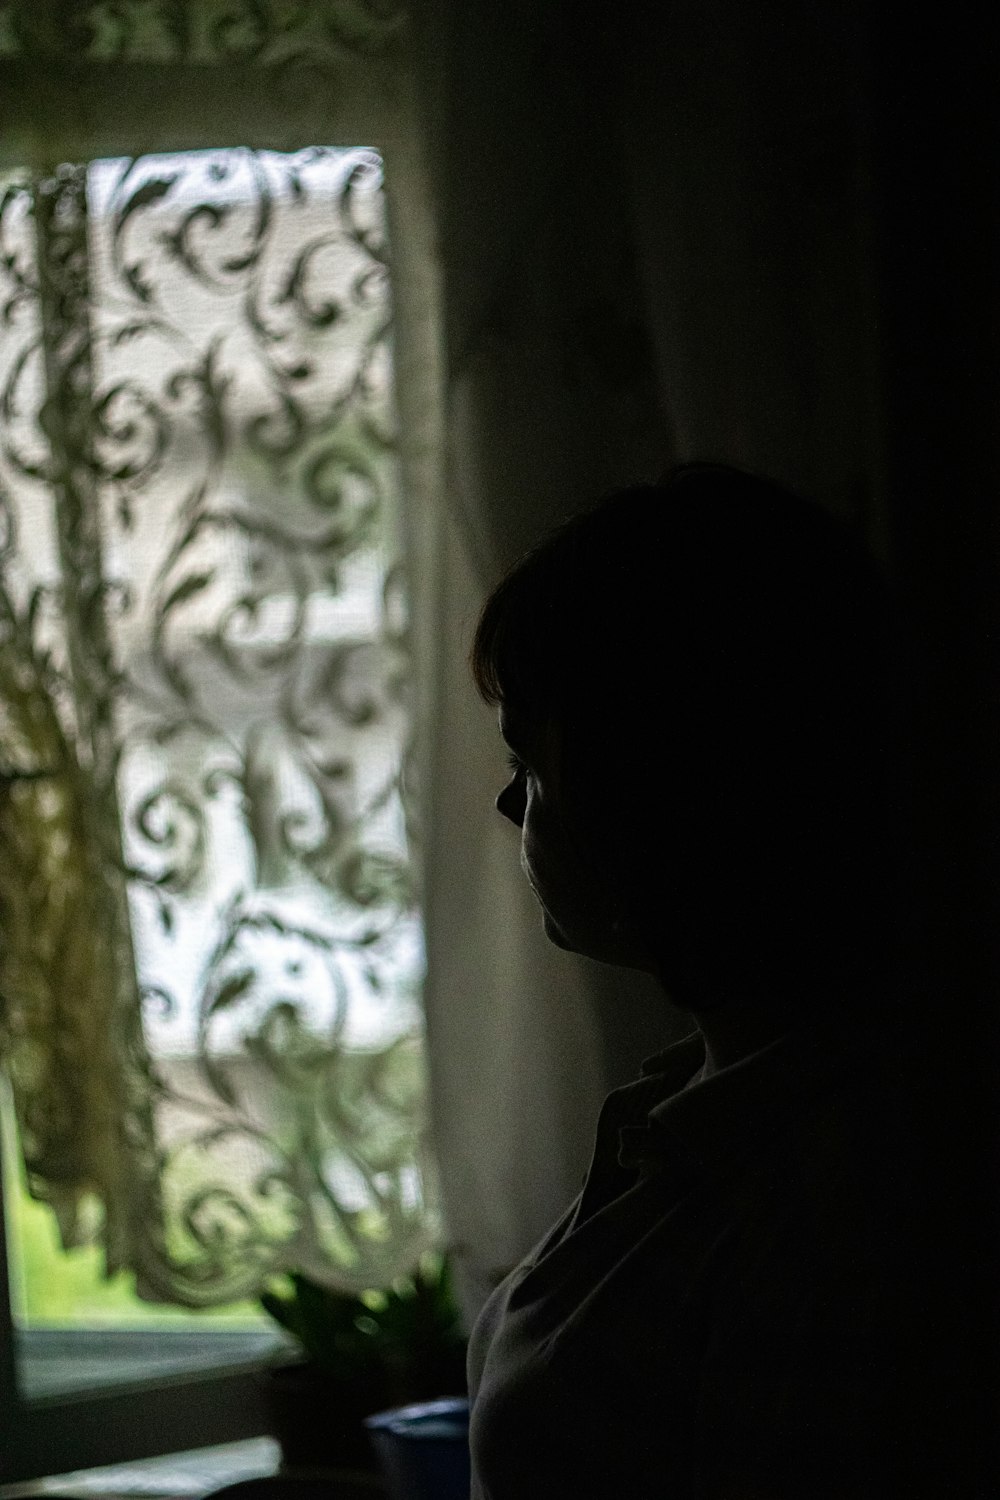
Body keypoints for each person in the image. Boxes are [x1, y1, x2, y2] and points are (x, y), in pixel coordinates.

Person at [464, 464, 948, 1498]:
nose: (511, 808)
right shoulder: (690, 1114)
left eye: (533, 766)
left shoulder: (841, 1191)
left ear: (646, 784)